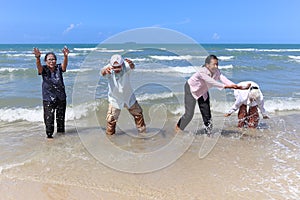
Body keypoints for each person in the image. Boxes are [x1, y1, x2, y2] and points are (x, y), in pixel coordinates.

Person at [175, 55, 249, 135]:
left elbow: (224, 79)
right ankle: (178, 128)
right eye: (214, 64)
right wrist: (226, 86)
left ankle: (208, 133)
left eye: (217, 64)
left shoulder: (217, 71)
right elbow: (212, 82)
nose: (216, 66)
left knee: (207, 115)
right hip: (191, 90)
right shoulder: (202, 72)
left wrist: (237, 86)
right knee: (189, 114)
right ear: (207, 65)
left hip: (203, 92)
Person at [101, 54, 146, 135]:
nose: (116, 69)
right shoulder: (109, 68)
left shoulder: (126, 65)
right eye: (114, 67)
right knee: (111, 121)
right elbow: (102, 72)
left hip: (129, 98)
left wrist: (132, 64)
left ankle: (143, 134)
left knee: (138, 115)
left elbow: (132, 67)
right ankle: (110, 138)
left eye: (118, 67)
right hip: (115, 99)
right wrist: (105, 71)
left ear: (122, 64)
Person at [33, 46, 69, 138]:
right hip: (48, 98)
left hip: (61, 98)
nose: (51, 61)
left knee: (61, 120)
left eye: (53, 59)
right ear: (46, 61)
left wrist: (65, 56)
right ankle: (50, 137)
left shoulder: (59, 68)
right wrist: (37, 58)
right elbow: (39, 68)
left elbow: (64, 67)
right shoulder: (44, 69)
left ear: (56, 61)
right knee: (49, 121)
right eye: (49, 59)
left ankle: (61, 139)